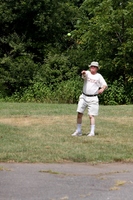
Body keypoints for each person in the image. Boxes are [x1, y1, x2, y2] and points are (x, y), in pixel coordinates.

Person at [72, 61, 107, 137]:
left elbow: (104, 84)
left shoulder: (99, 76)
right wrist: (83, 73)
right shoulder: (87, 73)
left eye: (94, 67)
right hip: (84, 97)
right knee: (79, 113)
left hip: (93, 98)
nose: (92, 68)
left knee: (91, 115)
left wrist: (102, 89)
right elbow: (84, 75)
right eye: (91, 67)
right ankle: (78, 131)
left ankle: (92, 132)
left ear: (97, 68)